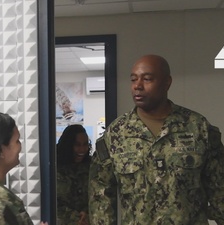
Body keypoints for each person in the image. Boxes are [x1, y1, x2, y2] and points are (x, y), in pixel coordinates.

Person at [88, 54, 224, 225]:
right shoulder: (115, 134)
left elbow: (220, 191)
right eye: (133, 79)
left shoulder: (197, 128)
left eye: (147, 79)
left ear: (167, 82)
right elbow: (100, 197)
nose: (137, 86)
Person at [56, 124, 92, 225]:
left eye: (85, 144)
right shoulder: (54, 166)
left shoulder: (91, 166)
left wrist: (87, 216)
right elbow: (53, 203)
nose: (82, 150)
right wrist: (75, 218)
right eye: (77, 145)